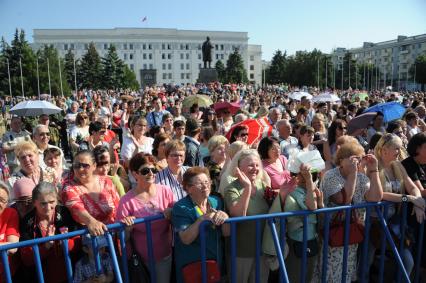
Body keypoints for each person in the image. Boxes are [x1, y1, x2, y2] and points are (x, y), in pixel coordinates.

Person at [313, 142, 382, 282]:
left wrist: (374, 170)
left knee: (346, 272)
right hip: (332, 233)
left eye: (360, 157)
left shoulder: (361, 177)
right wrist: (352, 174)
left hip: (351, 235)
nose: (357, 161)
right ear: (341, 160)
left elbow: (375, 197)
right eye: (353, 158)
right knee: (331, 274)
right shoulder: (331, 175)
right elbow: (343, 200)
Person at [371, 133, 426, 276]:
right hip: (375, 222)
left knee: (407, 262)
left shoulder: (398, 165)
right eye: (396, 148)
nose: (400, 152)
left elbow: (412, 187)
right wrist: (409, 199)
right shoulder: (373, 166)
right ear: (384, 150)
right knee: (366, 263)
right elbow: (381, 194)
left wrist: (418, 202)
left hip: (394, 223)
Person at [117, 153, 175, 283]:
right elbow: (121, 238)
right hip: (139, 260)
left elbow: (178, 218)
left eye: (153, 170)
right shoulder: (126, 201)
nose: (151, 173)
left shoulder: (165, 191)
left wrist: (172, 212)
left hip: (164, 256)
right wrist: (127, 228)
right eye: (145, 171)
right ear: (135, 174)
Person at [172, 167, 230, 283]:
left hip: (215, 262)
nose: (205, 186)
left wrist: (225, 217)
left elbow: (227, 232)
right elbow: (186, 239)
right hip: (193, 265)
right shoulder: (181, 207)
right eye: (199, 183)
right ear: (188, 188)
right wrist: (202, 219)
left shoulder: (216, 201)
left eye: (207, 182)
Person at [224, 149, 270, 283]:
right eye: (250, 165)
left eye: (257, 165)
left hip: (262, 250)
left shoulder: (263, 185)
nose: (255, 168)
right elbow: (238, 214)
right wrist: (248, 188)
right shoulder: (232, 188)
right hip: (241, 252)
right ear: (238, 168)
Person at [19, 182, 80, 283]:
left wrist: (65, 243)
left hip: (70, 274)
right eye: (43, 203)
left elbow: (78, 242)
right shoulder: (27, 221)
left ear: (57, 200)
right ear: (34, 202)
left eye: (52, 202)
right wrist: (46, 246)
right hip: (42, 277)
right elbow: (26, 259)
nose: (48, 208)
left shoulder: (65, 213)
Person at [62, 150, 120, 236]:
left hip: (115, 233)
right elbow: (77, 208)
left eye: (85, 166)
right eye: (76, 166)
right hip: (90, 239)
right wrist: (91, 222)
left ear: (94, 166)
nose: (80, 169)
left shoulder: (106, 181)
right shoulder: (68, 188)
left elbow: (118, 205)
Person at [284, 164, 323, 283]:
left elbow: (320, 214)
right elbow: (311, 207)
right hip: (297, 241)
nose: (310, 175)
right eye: (305, 173)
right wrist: (309, 181)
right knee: (295, 276)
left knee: (308, 276)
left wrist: (321, 202)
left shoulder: (313, 190)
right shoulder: (293, 192)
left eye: (312, 173)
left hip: (311, 239)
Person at [0, 181, 20, 281]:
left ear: (7, 203)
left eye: (2, 200)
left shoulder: (10, 213)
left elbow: (13, 247)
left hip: (7, 275)